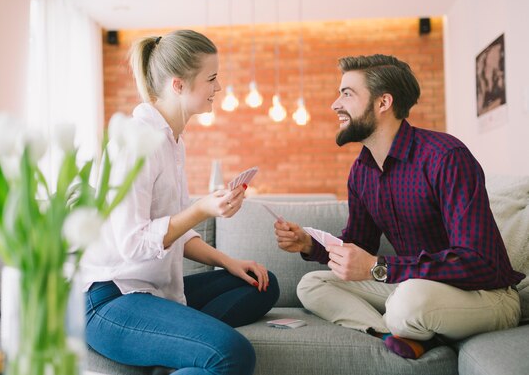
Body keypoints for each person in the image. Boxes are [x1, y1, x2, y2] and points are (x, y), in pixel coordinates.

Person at [274, 54, 524, 359]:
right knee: (312, 285)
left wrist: (380, 268)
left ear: (383, 103)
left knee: (408, 302)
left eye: (347, 94)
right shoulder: (362, 171)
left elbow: (479, 262)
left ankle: (409, 325)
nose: (335, 104)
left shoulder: (446, 157)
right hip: (413, 287)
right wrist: (310, 245)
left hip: (484, 295)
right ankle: (394, 334)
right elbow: (359, 248)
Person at [81, 30, 279, 375]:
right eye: (212, 79)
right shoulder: (137, 144)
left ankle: (179, 350)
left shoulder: (172, 141)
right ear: (178, 85)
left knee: (262, 283)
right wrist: (201, 209)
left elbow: (176, 230)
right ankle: (188, 348)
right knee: (233, 354)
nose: (218, 88)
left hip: (153, 290)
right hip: (113, 299)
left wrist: (227, 261)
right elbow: (133, 243)